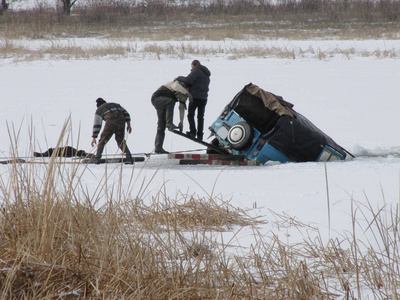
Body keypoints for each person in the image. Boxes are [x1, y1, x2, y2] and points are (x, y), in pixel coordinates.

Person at [151, 81, 192, 154]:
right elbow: (175, 87)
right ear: (185, 86)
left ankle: (158, 148)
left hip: (164, 103)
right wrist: (187, 93)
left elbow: (181, 107)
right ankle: (169, 123)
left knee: (161, 125)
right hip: (157, 99)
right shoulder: (177, 83)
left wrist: (181, 121)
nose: (187, 91)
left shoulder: (183, 93)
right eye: (187, 89)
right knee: (171, 101)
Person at [175, 59, 211, 141]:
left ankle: (193, 132)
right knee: (200, 117)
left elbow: (189, 80)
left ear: (194, 65)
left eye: (191, 67)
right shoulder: (206, 73)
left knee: (190, 115)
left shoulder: (196, 70)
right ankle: (200, 135)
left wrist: (179, 78)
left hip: (195, 97)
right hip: (204, 98)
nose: (191, 69)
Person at [91, 97, 134, 164]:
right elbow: (126, 113)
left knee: (102, 140)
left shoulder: (99, 110)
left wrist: (94, 137)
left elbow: (97, 124)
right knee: (121, 141)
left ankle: (97, 158)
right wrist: (128, 125)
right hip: (121, 121)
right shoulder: (116, 105)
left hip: (111, 122)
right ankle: (129, 159)